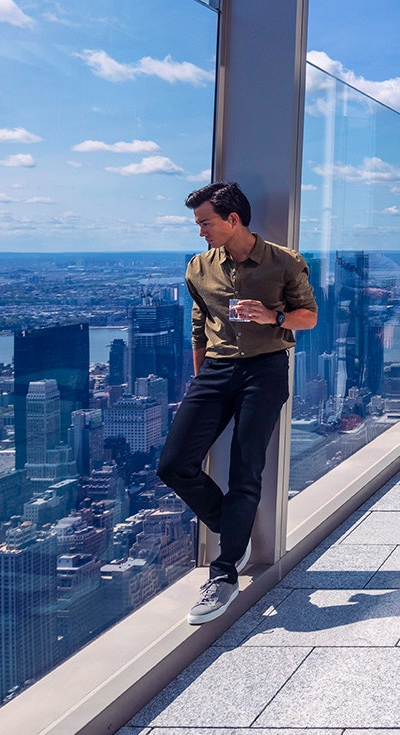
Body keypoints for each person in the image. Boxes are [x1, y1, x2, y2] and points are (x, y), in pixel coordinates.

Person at [159, 181, 318, 625]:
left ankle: (224, 572)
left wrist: (274, 317)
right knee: (173, 465)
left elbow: (310, 316)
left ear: (233, 220)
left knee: (246, 470)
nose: (200, 231)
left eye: (205, 222)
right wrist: (200, 379)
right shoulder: (198, 267)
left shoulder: (283, 262)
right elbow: (199, 324)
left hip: (264, 370)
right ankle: (233, 530)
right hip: (214, 371)